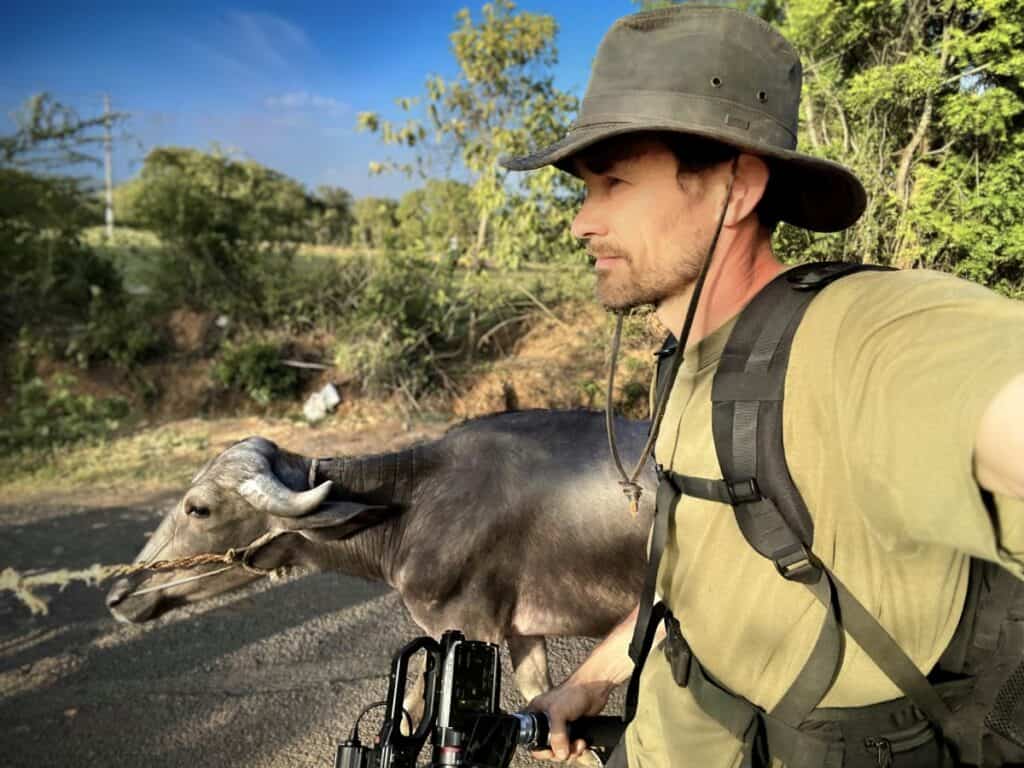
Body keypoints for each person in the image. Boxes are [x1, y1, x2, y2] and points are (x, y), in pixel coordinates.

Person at [499, 5, 1024, 768]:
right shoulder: (688, 356)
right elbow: (696, 579)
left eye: (613, 183)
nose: (583, 221)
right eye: (585, 190)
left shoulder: (859, 334)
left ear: (735, 188)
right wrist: (590, 682)